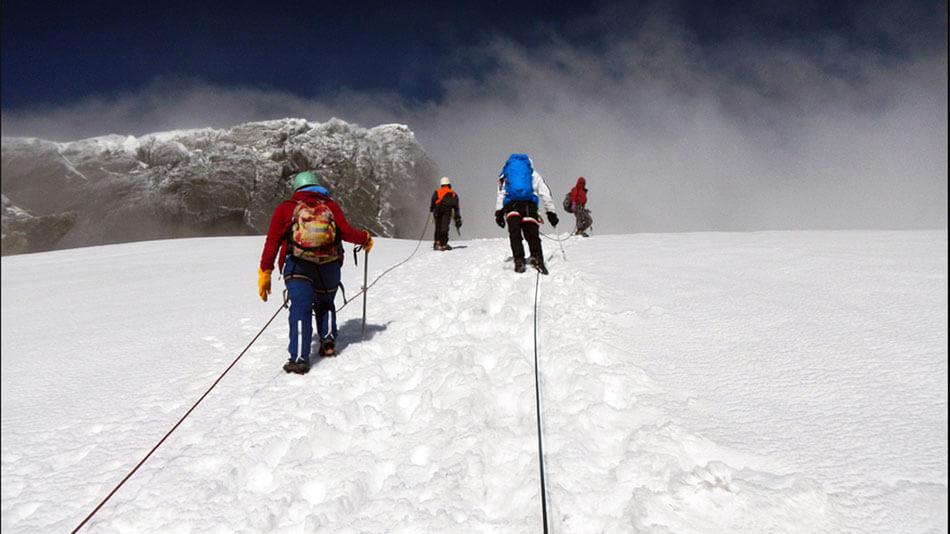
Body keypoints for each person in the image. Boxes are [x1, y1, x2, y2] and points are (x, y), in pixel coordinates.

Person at [258, 170, 374, 374]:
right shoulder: (329, 206)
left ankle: (300, 359)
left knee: (300, 308)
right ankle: (328, 341)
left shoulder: (286, 209)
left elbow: (273, 242)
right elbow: (346, 232)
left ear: (296, 189)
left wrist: (265, 272)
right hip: (328, 266)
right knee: (325, 303)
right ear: (317, 187)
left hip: (297, 266)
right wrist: (364, 238)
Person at [494, 153, 558, 274]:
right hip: (530, 206)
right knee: (532, 233)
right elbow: (545, 193)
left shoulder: (506, 173)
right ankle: (537, 258)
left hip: (511, 205)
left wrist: (499, 212)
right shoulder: (533, 174)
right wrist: (551, 213)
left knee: (515, 234)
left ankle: (519, 261)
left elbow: (501, 193)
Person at [430, 176, 462, 250]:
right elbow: (456, 208)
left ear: (441, 185)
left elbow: (433, 202)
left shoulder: (437, 192)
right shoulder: (454, 194)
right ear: (449, 185)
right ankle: (443, 244)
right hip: (447, 212)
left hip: (437, 211)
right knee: (444, 227)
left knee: (438, 227)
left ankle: (437, 242)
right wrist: (457, 218)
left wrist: (432, 209)